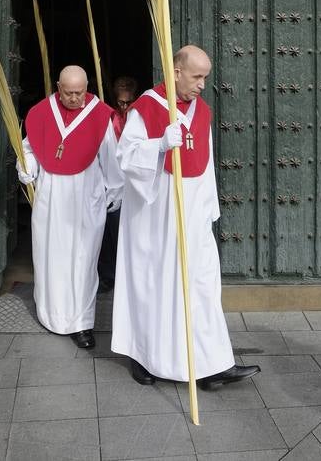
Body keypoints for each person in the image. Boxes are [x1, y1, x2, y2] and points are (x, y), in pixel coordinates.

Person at [111, 45, 260, 389]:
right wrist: (159, 145)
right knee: (155, 285)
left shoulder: (202, 111)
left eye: (205, 77)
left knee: (202, 285)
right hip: (156, 213)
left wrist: (209, 207)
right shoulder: (147, 106)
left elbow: (205, 162)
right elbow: (126, 157)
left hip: (193, 212)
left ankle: (211, 363)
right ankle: (143, 355)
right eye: (197, 76)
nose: (202, 84)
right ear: (176, 71)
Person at [16, 65, 123, 349]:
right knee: (51, 257)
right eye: (68, 93)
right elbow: (30, 148)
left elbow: (110, 157)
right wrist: (26, 166)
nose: (75, 98)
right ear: (57, 87)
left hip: (87, 198)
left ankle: (81, 323)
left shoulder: (100, 115)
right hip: (51, 199)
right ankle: (51, 315)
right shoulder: (40, 113)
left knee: (83, 261)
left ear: (87, 87)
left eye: (80, 92)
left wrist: (115, 190)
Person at [98, 76, 139, 292]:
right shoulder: (109, 118)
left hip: (133, 181)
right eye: (120, 102)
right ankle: (108, 275)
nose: (124, 106)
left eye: (128, 102)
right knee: (108, 229)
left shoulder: (138, 117)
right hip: (112, 181)